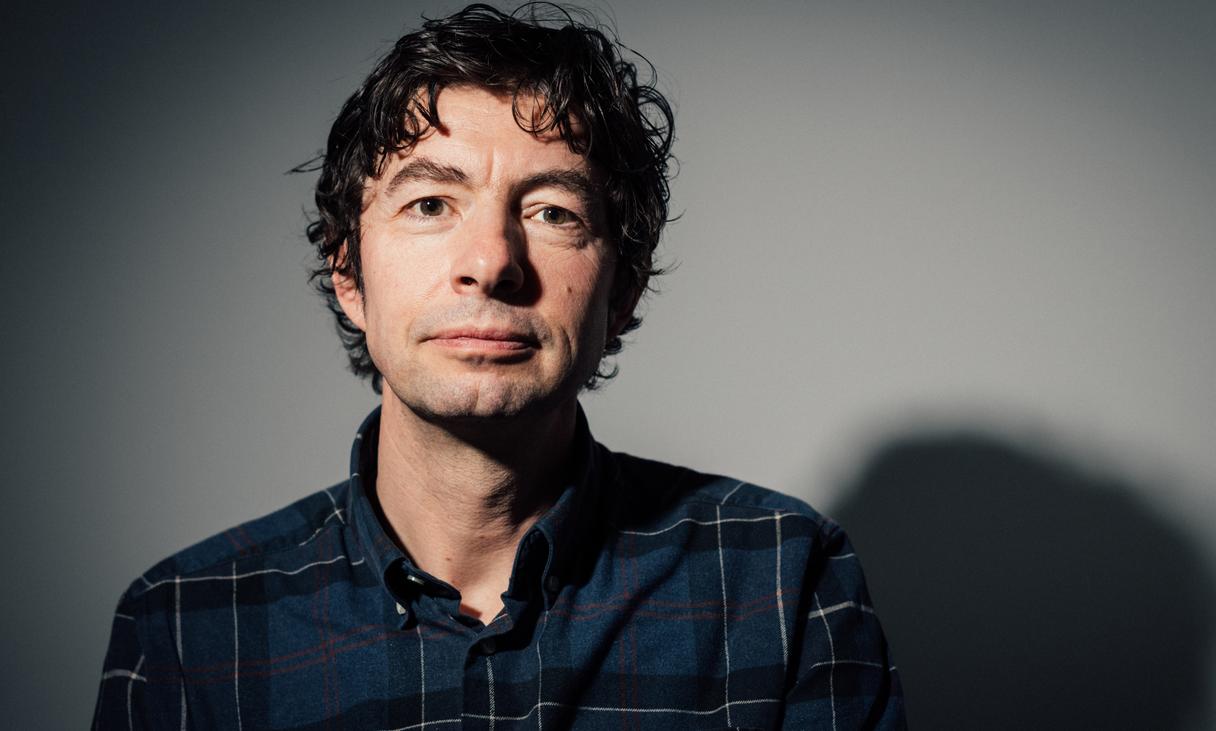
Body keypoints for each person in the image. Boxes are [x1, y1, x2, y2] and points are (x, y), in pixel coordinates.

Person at [93, 4, 905, 729]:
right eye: (430, 204)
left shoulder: (780, 578)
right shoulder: (187, 629)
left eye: (552, 211)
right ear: (349, 275)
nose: (490, 262)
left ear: (621, 289)